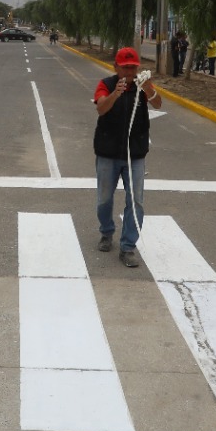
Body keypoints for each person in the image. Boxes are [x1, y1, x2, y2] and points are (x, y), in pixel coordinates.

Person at [93, 46, 162, 268]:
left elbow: (158, 103)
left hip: (135, 155)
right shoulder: (106, 84)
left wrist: (149, 89)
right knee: (104, 199)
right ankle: (106, 232)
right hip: (108, 153)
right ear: (116, 67)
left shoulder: (142, 86)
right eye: (125, 68)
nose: (130, 72)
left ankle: (128, 247)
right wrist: (116, 94)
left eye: (133, 68)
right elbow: (101, 109)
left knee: (136, 202)